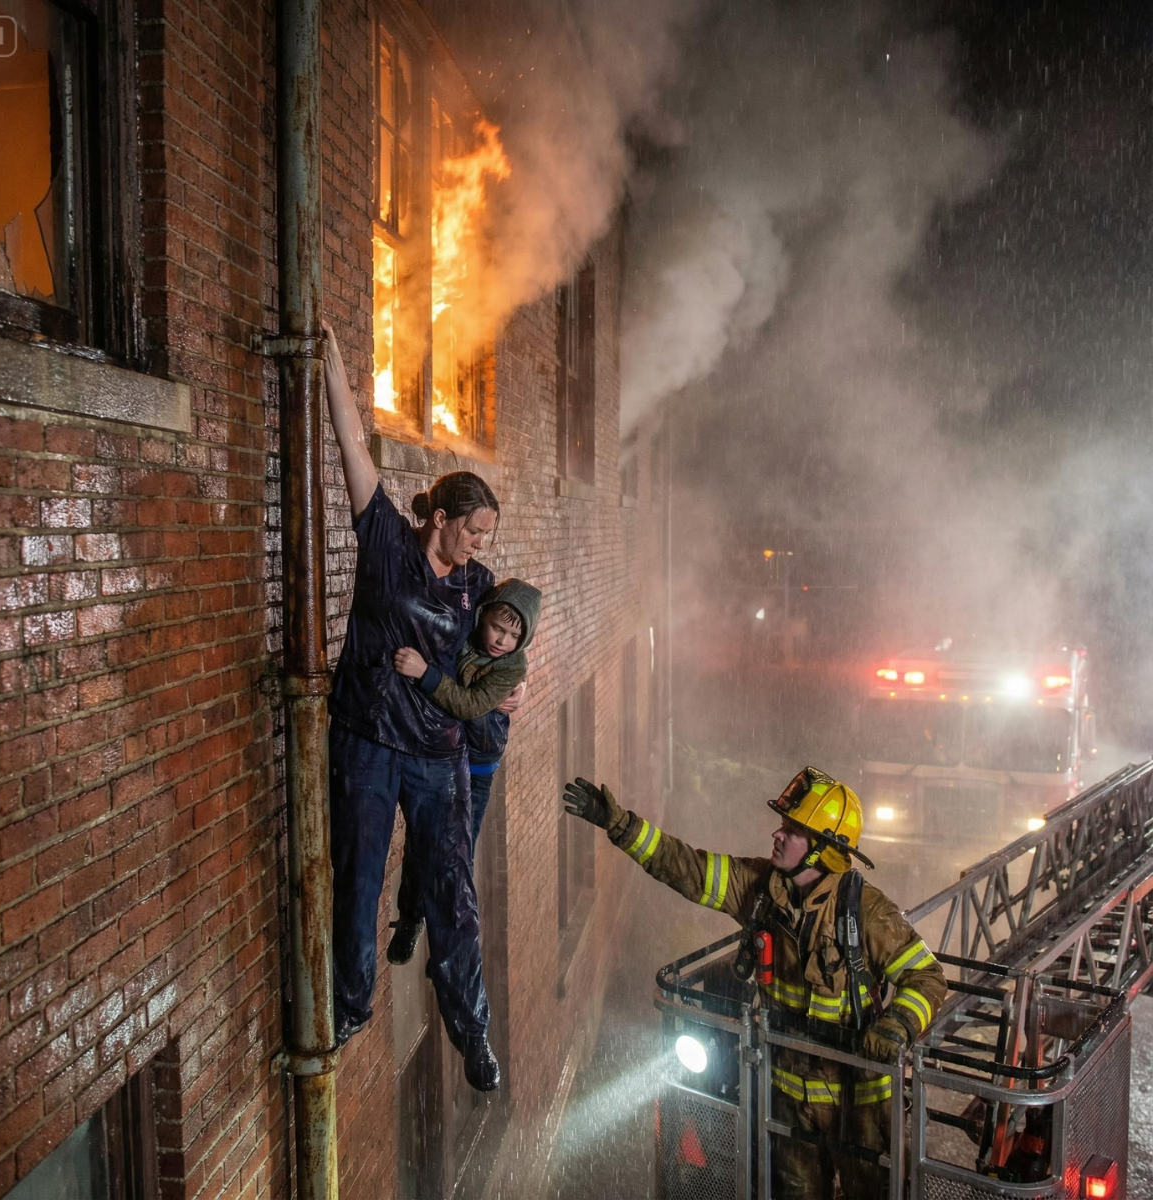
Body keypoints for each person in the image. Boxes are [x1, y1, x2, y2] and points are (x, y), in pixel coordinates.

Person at [563, 766, 947, 1199]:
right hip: (787, 1093)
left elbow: (927, 977)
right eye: (783, 826)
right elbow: (687, 867)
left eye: (792, 831)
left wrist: (897, 1025)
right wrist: (621, 826)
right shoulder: (760, 890)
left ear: (823, 849)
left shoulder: (866, 912)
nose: (777, 835)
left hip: (859, 1099)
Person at [322, 319, 518, 1091]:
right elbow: (352, 446)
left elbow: (507, 640)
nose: (479, 544)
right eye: (474, 530)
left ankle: (473, 1031)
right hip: (368, 743)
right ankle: (350, 1006)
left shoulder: (478, 585)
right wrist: (332, 363)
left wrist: (512, 683)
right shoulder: (386, 541)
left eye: (487, 535)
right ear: (440, 519)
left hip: (439, 755)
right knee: (358, 881)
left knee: (455, 899)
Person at [386, 578, 542, 964]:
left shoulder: (513, 664)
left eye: (514, 636)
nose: (503, 640)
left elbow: (469, 705)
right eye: (497, 628)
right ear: (482, 616)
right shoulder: (463, 633)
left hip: (477, 767)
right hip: (441, 758)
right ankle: (411, 918)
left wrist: (425, 674)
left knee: (458, 858)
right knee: (422, 846)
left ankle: (450, 954)